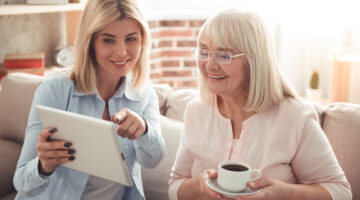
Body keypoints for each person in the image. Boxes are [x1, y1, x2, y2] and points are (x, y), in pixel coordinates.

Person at [168, 9, 352, 200]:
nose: (209, 66)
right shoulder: (196, 111)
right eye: (204, 52)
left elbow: (340, 192)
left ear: (253, 61)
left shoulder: (295, 117)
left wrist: (286, 193)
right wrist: (198, 185)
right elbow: (175, 186)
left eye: (224, 55)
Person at [13, 0, 165, 199]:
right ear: (90, 41)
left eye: (131, 39)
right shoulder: (54, 90)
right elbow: (22, 183)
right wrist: (43, 166)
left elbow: (153, 160)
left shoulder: (144, 94)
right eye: (108, 40)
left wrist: (144, 130)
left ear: (143, 41)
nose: (121, 52)